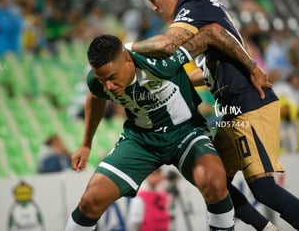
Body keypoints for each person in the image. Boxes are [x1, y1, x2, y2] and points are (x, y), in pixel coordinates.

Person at [129, 0, 299, 230]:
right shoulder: (203, 7)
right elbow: (208, 70)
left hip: (248, 103)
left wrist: (126, 48)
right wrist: (171, 80)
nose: (153, 6)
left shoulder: (194, 5)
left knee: (264, 188)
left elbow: (167, 43)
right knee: (213, 179)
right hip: (231, 109)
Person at [65, 35, 235, 231]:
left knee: (214, 182)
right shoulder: (99, 81)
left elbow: (206, 37)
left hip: (185, 132)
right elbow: (95, 97)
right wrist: (86, 144)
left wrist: (249, 68)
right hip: (140, 141)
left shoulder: (159, 62)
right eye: (101, 80)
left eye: (112, 77)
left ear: (128, 59)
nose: (108, 86)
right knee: (91, 200)